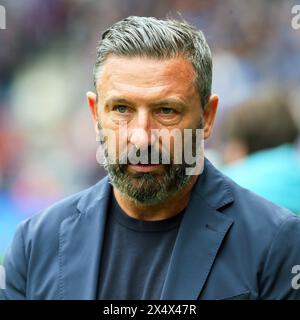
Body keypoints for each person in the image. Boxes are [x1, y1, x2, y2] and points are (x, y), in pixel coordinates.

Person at [1, 16, 300, 300]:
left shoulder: (276, 243)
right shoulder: (34, 245)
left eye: (166, 111)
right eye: (121, 109)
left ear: (207, 117)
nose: (141, 136)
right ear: (95, 114)